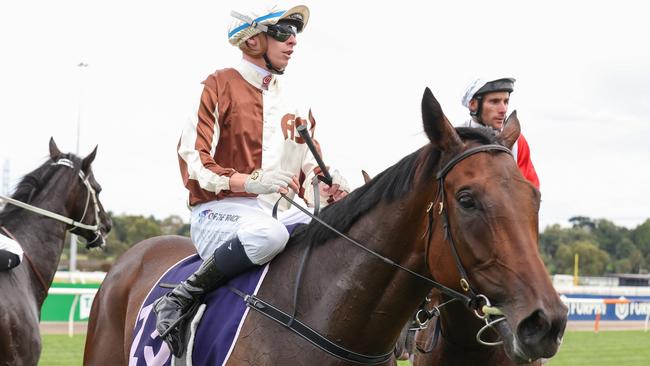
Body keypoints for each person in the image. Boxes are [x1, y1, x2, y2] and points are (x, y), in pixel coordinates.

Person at [153, 4, 350, 357]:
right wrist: (250, 182)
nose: (292, 41)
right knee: (268, 234)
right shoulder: (217, 85)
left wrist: (325, 184)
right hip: (220, 212)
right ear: (254, 40)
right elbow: (195, 161)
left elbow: (308, 170)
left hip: (282, 213)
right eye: (283, 32)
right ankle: (183, 295)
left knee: (344, 232)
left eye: (295, 33)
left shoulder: (297, 103)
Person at [460, 77, 540, 188]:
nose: (503, 109)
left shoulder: (518, 141)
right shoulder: (456, 139)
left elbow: (530, 188)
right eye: (495, 101)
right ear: (473, 104)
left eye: (506, 102)